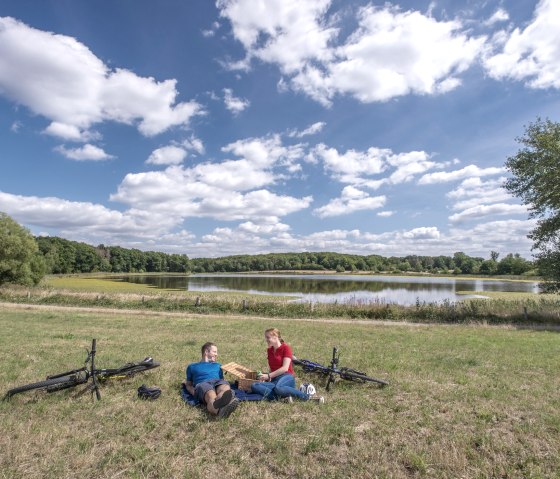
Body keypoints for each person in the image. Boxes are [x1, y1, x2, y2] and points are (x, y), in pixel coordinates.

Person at [251, 328, 324, 403]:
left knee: (278, 388)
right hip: (274, 379)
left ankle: (308, 397)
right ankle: (283, 398)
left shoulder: (286, 348)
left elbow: (285, 368)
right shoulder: (269, 350)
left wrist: (269, 375)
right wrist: (268, 378)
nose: (266, 340)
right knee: (255, 385)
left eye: (267, 337)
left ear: (275, 337)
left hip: (287, 377)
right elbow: (272, 367)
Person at [185, 342, 239, 418]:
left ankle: (224, 402)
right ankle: (219, 410)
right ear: (206, 352)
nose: (216, 354)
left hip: (217, 381)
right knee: (211, 395)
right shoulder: (192, 366)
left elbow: (221, 379)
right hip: (203, 383)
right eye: (214, 352)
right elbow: (188, 384)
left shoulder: (218, 365)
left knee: (224, 388)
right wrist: (193, 392)